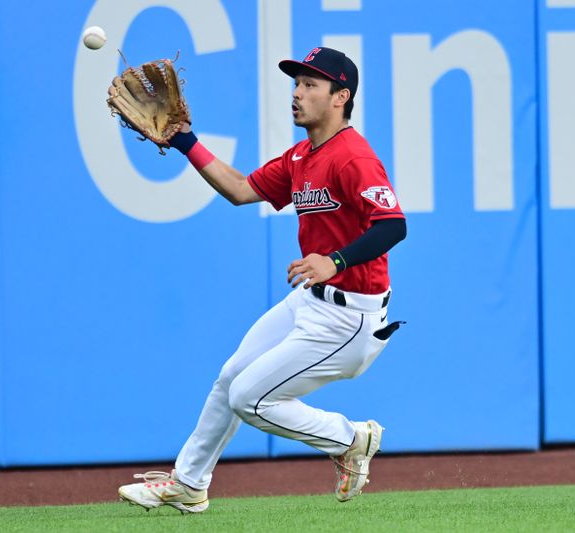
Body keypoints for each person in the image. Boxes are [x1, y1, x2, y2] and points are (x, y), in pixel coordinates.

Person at [118, 47, 407, 514]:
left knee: (248, 398)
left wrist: (334, 259)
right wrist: (186, 140)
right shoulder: (302, 156)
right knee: (229, 377)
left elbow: (393, 225)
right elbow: (238, 189)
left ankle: (351, 439)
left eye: (310, 85)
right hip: (312, 302)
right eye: (296, 83)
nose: (297, 93)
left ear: (341, 97)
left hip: (352, 318)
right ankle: (189, 483)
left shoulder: (353, 156)